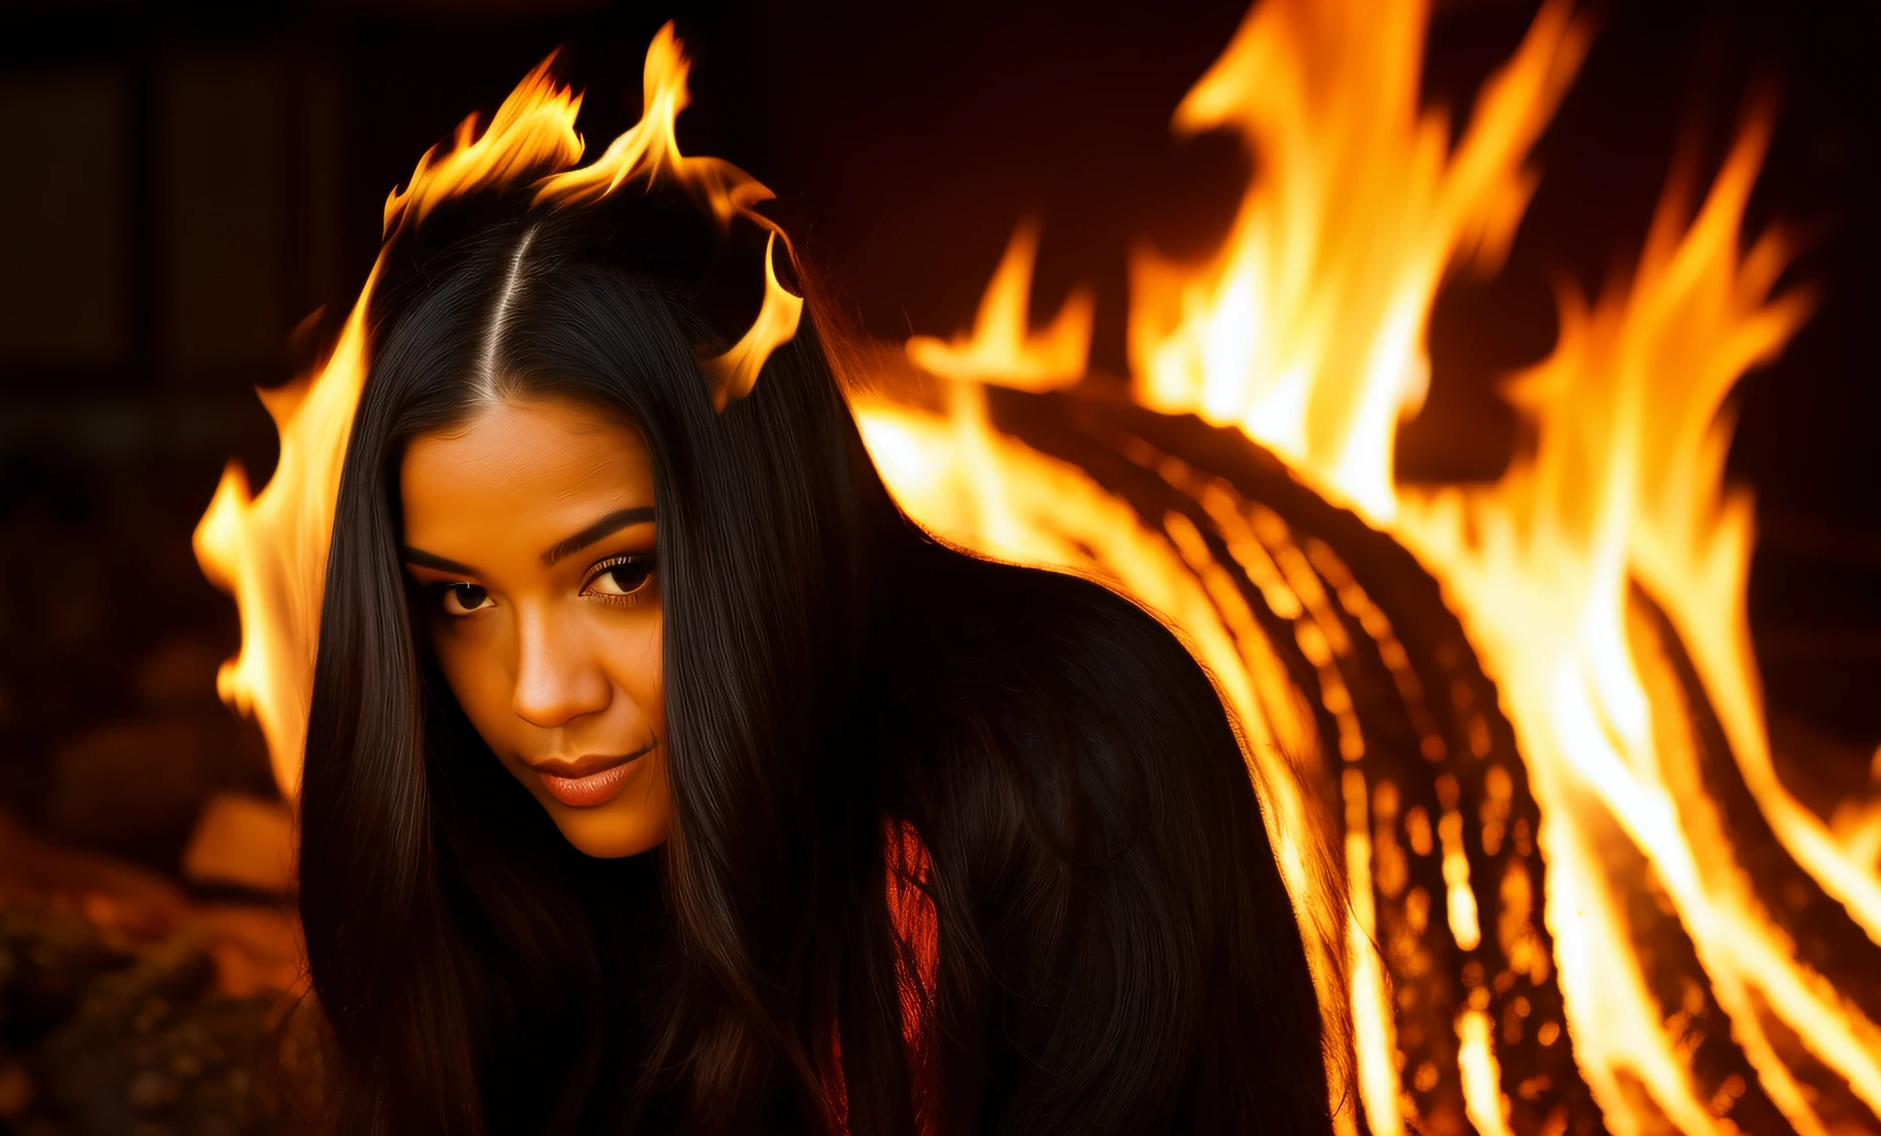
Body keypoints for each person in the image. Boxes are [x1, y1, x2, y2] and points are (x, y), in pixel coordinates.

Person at [293, 32, 1329, 1136]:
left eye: (621, 572)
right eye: (459, 596)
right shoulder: (480, 870)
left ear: (757, 510)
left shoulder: (1070, 754)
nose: (541, 692)